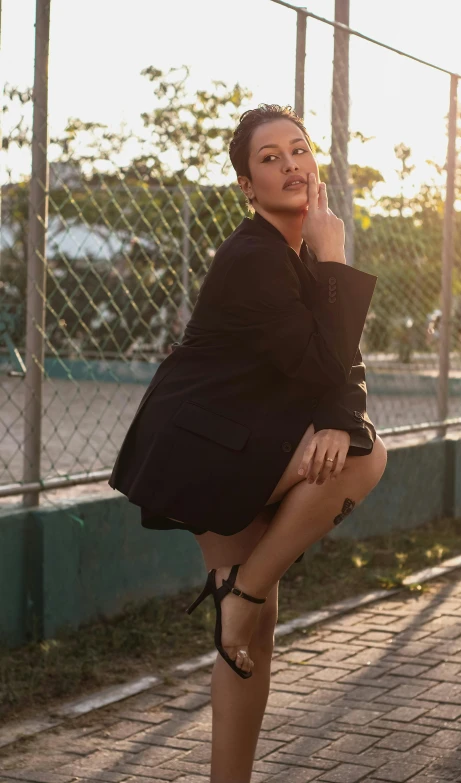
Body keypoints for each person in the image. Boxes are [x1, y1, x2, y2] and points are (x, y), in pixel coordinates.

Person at [109, 104, 387, 783]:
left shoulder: (293, 254)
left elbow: (333, 366)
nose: (291, 163)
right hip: (203, 449)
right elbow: (328, 365)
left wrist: (336, 415)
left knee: (251, 636)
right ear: (246, 186)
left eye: (299, 150)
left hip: (236, 440)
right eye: (270, 158)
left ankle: (230, 763)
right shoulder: (255, 258)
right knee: (361, 455)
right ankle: (242, 596)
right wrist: (337, 258)